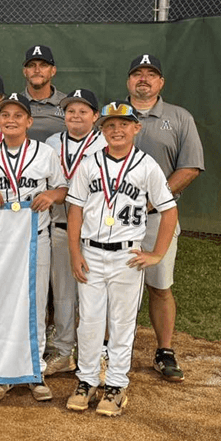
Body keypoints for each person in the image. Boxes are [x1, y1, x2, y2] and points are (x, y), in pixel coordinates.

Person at [64, 101, 178, 417]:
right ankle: (86, 380)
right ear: (102, 130)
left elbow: (169, 210)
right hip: (92, 252)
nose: (117, 130)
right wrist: (75, 252)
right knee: (89, 321)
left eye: (123, 124)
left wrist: (157, 253)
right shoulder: (89, 164)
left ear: (135, 128)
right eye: (110, 125)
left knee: (122, 321)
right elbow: (74, 210)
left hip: (127, 255)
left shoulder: (147, 165)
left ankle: (115, 385)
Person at [0, 92, 67, 403]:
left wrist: (52, 196)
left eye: (17, 115)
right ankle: (3, 372)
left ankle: (34, 372)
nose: (10, 120)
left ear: (29, 120)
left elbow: (63, 188)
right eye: (5, 115)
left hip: (35, 238)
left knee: (35, 305)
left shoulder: (44, 153)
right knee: (1, 305)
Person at [125, 53, 205, 383]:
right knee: (115, 285)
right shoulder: (114, 114)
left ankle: (164, 350)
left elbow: (190, 167)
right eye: (137, 73)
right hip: (116, 218)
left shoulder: (179, 117)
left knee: (160, 285)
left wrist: (155, 200)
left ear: (161, 82)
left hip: (159, 217)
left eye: (151, 74)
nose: (143, 78)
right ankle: (110, 349)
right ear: (128, 81)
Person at [42, 88, 106, 377]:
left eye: (83, 111)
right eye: (70, 110)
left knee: (95, 294)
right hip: (59, 224)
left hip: (96, 231)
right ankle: (64, 350)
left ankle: (98, 353)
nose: (76, 115)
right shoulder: (52, 142)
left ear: (95, 116)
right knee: (64, 294)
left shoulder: (106, 143)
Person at [20, 45, 68, 143]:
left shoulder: (68, 103)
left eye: (43, 65)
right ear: (25, 71)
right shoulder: (14, 104)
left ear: (53, 71)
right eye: (31, 65)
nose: (37, 70)